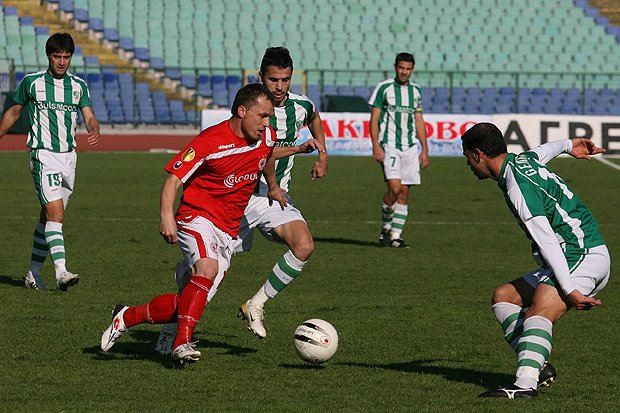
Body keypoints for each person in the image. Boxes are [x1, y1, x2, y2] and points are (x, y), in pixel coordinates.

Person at [100, 84, 322, 364]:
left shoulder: (266, 136)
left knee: (193, 301)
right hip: (196, 217)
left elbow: (265, 155)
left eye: (269, 117)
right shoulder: (210, 140)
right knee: (207, 267)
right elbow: (173, 178)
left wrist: (276, 184)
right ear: (242, 111)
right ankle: (181, 343)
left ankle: (127, 316)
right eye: (262, 116)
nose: (267, 123)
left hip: (227, 230)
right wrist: (166, 216)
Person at [153, 46, 328, 353]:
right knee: (205, 282)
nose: (279, 86)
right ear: (261, 77)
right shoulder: (247, 111)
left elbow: (313, 120)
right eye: (273, 79)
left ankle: (256, 304)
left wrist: (320, 153)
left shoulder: (301, 105)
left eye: (285, 80)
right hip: (235, 202)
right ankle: (169, 327)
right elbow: (260, 150)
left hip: (271, 199)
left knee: (304, 245)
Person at [461, 122, 611, 399]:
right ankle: (536, 363)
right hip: (578, 253)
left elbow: (547, 240)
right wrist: (569, 145)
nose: (469, 165)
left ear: (479, 154)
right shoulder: (522, 161)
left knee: (539, 311)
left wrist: (569, 289)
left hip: (581, 254)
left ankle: (525, 385)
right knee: (503, 296)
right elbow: (544, 150)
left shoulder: (518, 186)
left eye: (468, 157)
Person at [0, 32, 100, 291]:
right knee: (56, 212)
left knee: (49, 217)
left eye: (66, 57)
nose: (62, 61)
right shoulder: (32, 82)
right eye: (57, 56)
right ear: (49, 56)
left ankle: (33, 274)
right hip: (42, 154)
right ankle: (61, 272)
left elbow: (88, 114)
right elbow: (14, 111)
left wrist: (93, 126)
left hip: (69, 158)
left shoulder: (78, 86)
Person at [369, 52, 429, 248]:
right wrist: (376, 145)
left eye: (408, 69)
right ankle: (386, 227)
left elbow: (419, 120)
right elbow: (374, 118)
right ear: (395, 67)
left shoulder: (417, 91)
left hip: (410, 147)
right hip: (389, 145)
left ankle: (395, 236)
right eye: (401, 67)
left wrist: (424, 149)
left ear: (412, 70)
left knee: (404, 192)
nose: (404, 72)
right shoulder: (384, 88)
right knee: (394, 188)